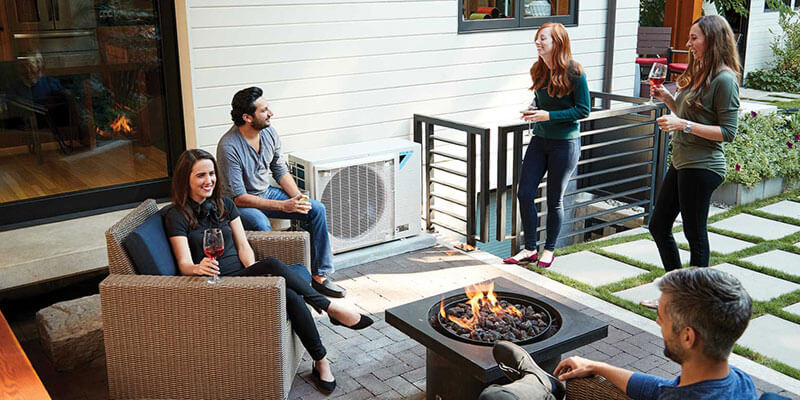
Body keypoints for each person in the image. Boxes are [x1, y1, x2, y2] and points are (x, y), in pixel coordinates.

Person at [164, 149, 373, 394]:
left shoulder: (225, 205)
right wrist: (198, 267)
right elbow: (183, 264)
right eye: (200, 175)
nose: (209, 180)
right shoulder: (175, 215)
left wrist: (254, 275)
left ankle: (321, 361)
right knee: (275, 266)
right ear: (185, 179)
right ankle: (329, 308)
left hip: (244, 277)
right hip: (217, 284)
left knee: (290, 293)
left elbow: (244, 247)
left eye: (211, 173)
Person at [480, 267, 757, 400]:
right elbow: (658, 389)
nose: (658, 325)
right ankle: (545, 383)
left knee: (493, 398)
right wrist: (596, 365)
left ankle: (543, 386)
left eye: (661, 319)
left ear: (687, 336)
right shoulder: (737, 382)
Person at [643, 15, 741, 309]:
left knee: (694, 233)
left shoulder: (725, 80)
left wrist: (681, 125)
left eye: (694, 38)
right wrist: (667, 98)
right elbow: (690, 115)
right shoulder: (700, 72)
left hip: (703, 166)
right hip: (683, 162)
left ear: (712, 40)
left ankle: (697, 301)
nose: (688, 44)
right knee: (659, 226)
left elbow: (728, 132)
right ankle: (676, 293)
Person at [216, 87, 346, 298]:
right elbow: (239, 196)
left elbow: (279, 169)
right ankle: (271, 281)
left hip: (265, 192)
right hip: (239, 204)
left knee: (316, 209)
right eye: (264, 110)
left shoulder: (269, 132)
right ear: (247, 117)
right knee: (260, 224)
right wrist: (284, 206)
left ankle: (319, 276)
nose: (271, 113)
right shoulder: (229, 146)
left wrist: (297, 198)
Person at [503, 22, 591, 268]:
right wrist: (533, 111)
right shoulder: (538, 69)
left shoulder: (575, 72)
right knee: (524, 193)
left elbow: (583, 110)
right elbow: (541, 100)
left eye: (544, 39)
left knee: (554, 199)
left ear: (558, 43)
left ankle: (549, 249)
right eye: (538, 38)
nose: (539, 43)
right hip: (540, 140)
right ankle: (530, 248)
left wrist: (549, 116)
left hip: (565, 144)